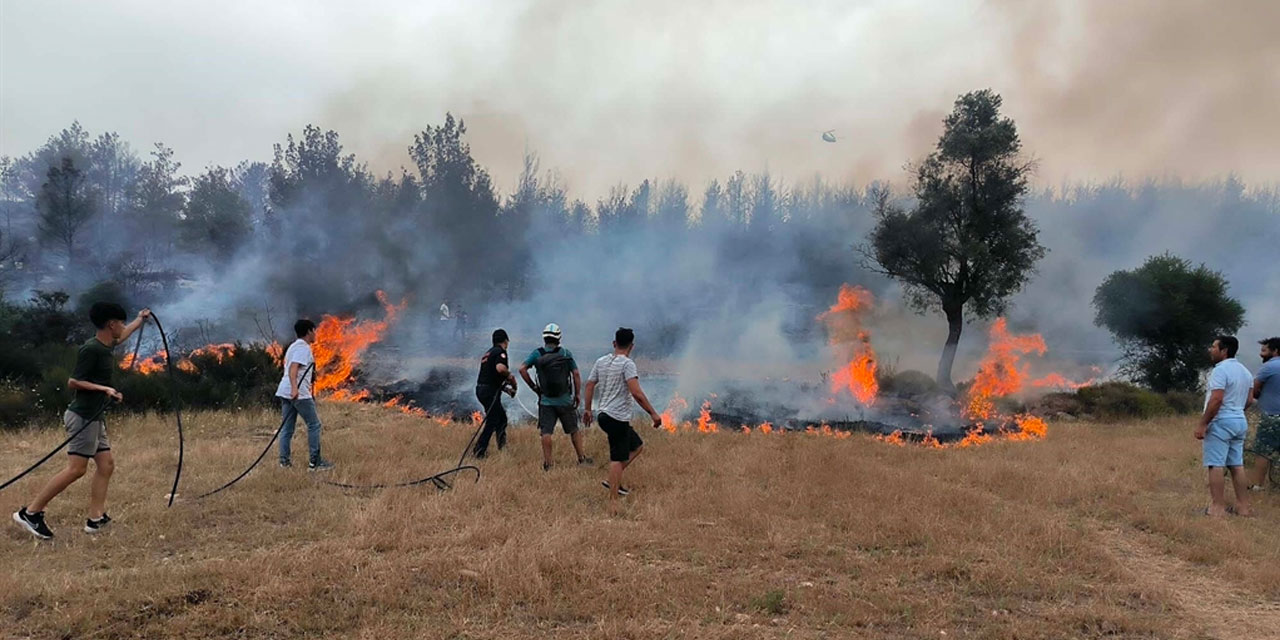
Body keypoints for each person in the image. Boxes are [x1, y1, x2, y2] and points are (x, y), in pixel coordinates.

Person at [13, 302, 150, 540]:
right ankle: (31, 513)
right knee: (76, 470)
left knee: (106, 465)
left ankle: (95, 519)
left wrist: (140, 319)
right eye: (121, 323)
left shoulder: (108, 344)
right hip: (82, 417)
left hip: (95, 417)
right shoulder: (91, 349)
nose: (123, 327)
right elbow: (73, 382)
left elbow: (124, 335)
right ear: (111, 324)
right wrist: (105, 389)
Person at [582, 328, 663, 512]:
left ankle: (613, 480)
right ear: (631, 346)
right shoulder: (628, 364)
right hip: (616, 417)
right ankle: (613, 501)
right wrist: (653, 413)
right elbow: (636, 392)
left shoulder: (601, 361)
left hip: (603, 415)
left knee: (637, 446)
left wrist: (588, 409)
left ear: (614, 343)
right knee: (617, 458)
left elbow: (589, 384)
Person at [519, 323, 592, 470]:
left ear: (545, 338)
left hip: (545, 401)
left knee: (546, 432)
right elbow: (576, 374)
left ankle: (548, 463)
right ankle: (581, 458)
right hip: (564, 399)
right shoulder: (565, 353)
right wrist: (577, 394)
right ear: (559, 338)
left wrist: (534, 388)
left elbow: (522, 369)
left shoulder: (537, 354)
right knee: (573, 429)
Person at [1196, 335, 1254, 517]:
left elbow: (1217, 399)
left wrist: (1203, 423)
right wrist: (1236, 411)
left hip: (1221, 421)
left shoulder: (1220, 371)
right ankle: (1243, 507)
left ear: (1224, 350)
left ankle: (1217, 508)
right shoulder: (1245, 371)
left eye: (1214, 347)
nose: (1210, 350)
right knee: (1237, 465)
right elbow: (1250, 399)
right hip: (1239, 419)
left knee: (1215, 464)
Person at [276, 319, 333, 471]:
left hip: (284, 391)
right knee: (314, 425)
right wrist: (295, 389)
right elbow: (294, 368)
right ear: (309, 331)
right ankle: (315, 463)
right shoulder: (303, 349)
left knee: (287, 429)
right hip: (298, 393)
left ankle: (284, 463)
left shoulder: (293, 347)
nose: (316, 334)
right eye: (314, 331)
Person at [474, 329, 517, 458]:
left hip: (482, 389)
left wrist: (507, 390)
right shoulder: (500, 352)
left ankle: (502, 447)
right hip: (489, 392)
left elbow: (491, 377)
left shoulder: (488, 353)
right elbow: (500, 368)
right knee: (493, 420)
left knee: (501, 418)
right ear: (505, 341)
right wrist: (511, 377)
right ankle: (479, 451)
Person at [1248, 337, 1280, 491]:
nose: (1261, 354)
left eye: (1264, 350)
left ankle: (1258, 486)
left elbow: (1253, 389)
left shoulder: (1269, 367)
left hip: (1272, 416)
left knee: (1263, 450)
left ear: (1275, 351)